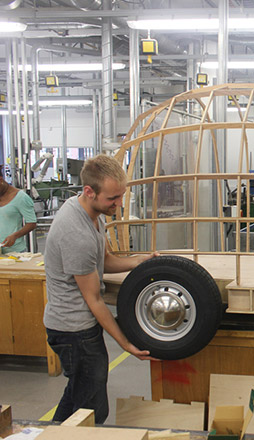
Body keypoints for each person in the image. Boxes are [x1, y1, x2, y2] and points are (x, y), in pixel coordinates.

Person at [43, 154, 159, 424]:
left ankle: (50, 433)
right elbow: (94, 299)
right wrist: (126, 344)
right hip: (73, 331)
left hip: (79, 327)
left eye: (121, 196)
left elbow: (103, 261)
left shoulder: (92, 213)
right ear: (89, 191)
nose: (118, 205)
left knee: (77, 399)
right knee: (90, 411)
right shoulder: (76, 233)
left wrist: (139, 263)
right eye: (113, 199)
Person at [0, 174, 37, 254]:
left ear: (1, 180)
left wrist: (15, 236)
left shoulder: (21, 197)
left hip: (14, 251)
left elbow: (32, 223)